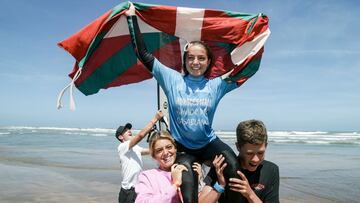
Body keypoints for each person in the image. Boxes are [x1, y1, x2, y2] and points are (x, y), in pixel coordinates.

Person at [125, 3, 242, 202]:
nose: (196, 62)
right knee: (188, 194)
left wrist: (258, 38)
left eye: (201, 58)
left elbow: (246, 70)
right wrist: (131, 18)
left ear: (208, 61)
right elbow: (143, 54)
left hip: (208, 143)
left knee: (234, 169)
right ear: (185, 60)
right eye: (191, 58)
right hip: (181, 147)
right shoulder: (172, 79)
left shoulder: (216, 85)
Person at [199, 119, 280, 203]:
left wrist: (250, 194)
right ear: (238, 147)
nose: (255, 159)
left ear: (266, 146)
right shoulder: (222, 167)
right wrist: (220, 186)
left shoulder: (271, 170)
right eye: (249, 153)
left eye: (260, 153)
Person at [135, 130, 201, 203]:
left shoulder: (185, 170)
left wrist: (199, 182)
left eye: (169, 147)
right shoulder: (147, 176)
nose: (165, 153)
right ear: (154, 156)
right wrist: (175, 185)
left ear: (175, 149)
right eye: (159, 150)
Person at [116, 110, 164, 203]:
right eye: (125, 131)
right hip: (128, 191)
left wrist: (163, 146)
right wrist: (155, 119)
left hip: (138, 189)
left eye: (129, 129)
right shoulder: (122, 147)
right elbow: (140, 135)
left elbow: (150, 151)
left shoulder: (135, 148)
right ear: (120, 137)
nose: (129, 131)